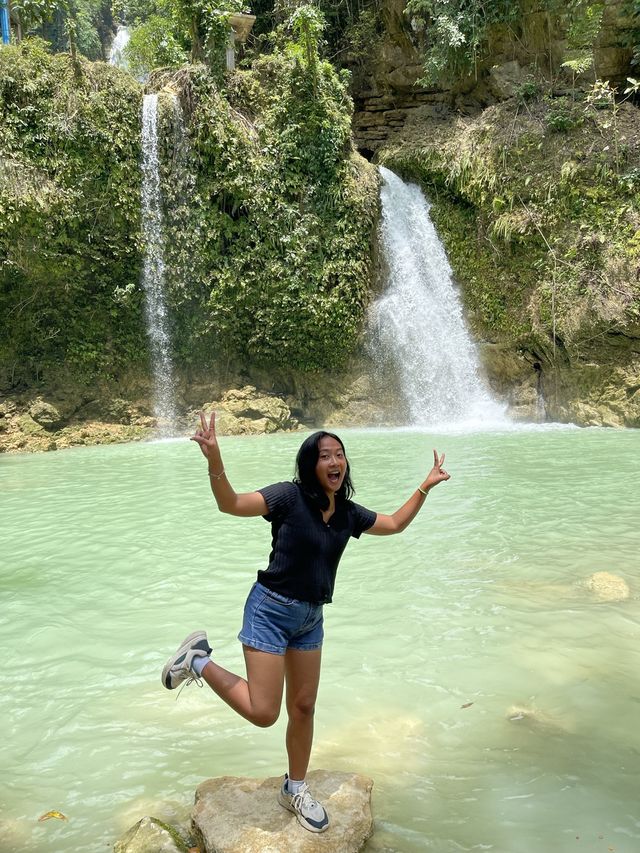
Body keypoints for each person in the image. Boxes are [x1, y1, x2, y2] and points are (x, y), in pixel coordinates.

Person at [162, 412, 450, 833]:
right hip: (270, 610)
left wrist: (424, 486)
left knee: (303, 707)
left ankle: (294, 788)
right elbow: (232, 504)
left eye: (340, 455)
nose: (335, 461)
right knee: (264, 713)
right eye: (325, 455)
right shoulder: (287, 497)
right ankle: (197, 660)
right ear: (309, 465)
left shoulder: (348, 513)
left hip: (310, 618)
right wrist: (214, 460)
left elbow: (394, 524)